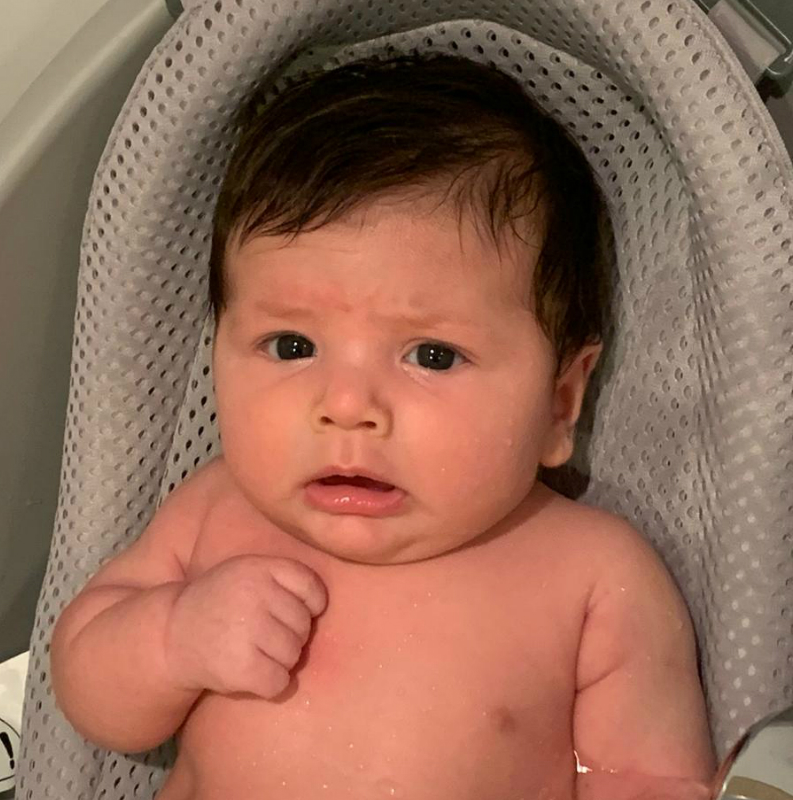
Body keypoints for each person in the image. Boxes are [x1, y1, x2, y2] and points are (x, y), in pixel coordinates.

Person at [50, 51, 717, 799]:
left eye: (433, 355)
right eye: (292, 346)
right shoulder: (215, 510)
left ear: (561, 402)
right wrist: (172, 639)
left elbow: (648, 776)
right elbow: (88, 691)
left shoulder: (594, 577)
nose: (346, 405)